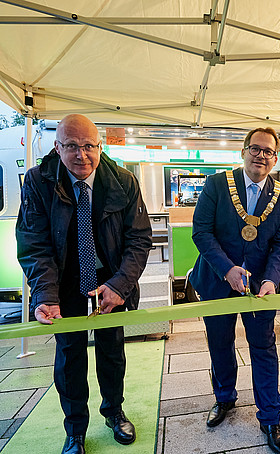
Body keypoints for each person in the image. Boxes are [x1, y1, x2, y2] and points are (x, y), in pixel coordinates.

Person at [16, 114, 152, 454]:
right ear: (57, 147)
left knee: (112, 351)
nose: (82, 155)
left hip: (109, 284)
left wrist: (120, 285)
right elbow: (34, 244)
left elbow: (139, 239)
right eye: (72, 146)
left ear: (100, 146)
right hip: (63, 286)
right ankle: (75, 428)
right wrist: (46, 294)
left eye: (89, 146)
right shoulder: (38, 181)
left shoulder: (123, 180)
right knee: (69, 357)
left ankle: (114, 412)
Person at [189, 127, 280, 454]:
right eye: (255, 149)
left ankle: (270, 417)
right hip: (217, 281)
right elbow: (201, 232)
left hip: (260, 287)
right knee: (220, 343)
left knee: (263, 347)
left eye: (268, 151)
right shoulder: (217, 184)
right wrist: (227, 269)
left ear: (276, 158)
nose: (261, 155)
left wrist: (271, 279)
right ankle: (224, 398)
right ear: (243, 150)